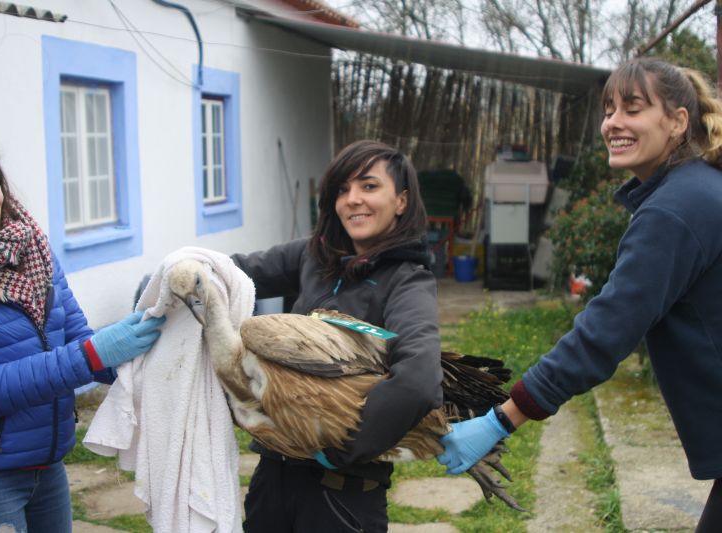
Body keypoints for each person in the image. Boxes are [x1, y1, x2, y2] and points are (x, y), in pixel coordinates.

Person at [437, 57, 722, 532]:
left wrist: (499, 421)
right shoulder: (696, 190)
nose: (613, 122)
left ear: (678, 121)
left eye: (633, 108)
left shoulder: (676, 208)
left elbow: (605, 331)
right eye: (608, 109)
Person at [0, 124, 166, 532]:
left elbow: (77, 340)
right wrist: (94, 354)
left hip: (47, 467)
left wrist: (151, 344)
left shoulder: (31, 248)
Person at [231, 140, 441, 532]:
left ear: (401, 201)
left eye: (369, 186)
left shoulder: (407, 281)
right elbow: (236, 273)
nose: (352, 200)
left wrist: (341, 449)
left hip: (339, 495)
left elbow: (419, 379)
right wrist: (185, 272)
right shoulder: (314, 257)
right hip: (273, 478)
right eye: (342, 190)